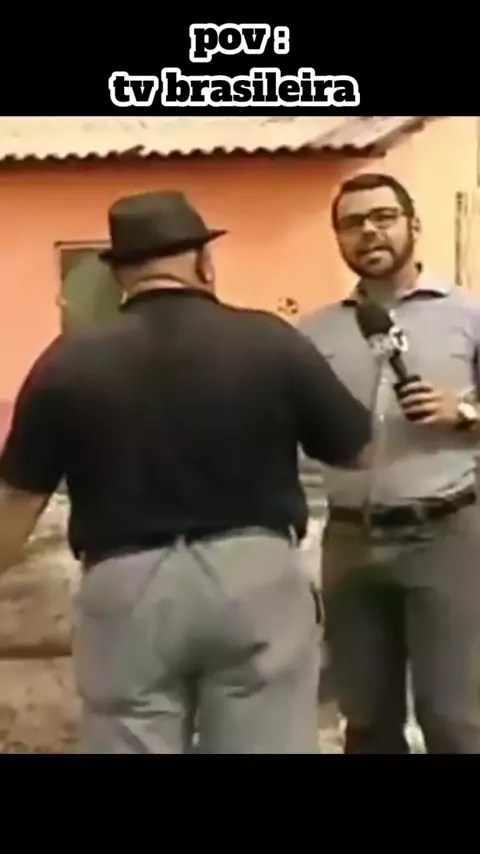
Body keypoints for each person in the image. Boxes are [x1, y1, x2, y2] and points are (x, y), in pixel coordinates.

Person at [0, 190, 372, 754]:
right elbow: (357, 451)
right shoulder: (268, 340)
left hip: (126, 583)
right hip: (253, 574)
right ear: (204, 262)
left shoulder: (67, 361)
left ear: (120, 275)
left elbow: (15, 509)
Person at [298, 171, 480, 754]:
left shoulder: (467, 316)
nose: (369, 232)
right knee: (366, 720)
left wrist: (465, 412)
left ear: (413, 226)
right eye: (352, 223)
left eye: (383, 217)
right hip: (351, 540)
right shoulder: (314, 333)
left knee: (454, 721)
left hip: (447, 534)